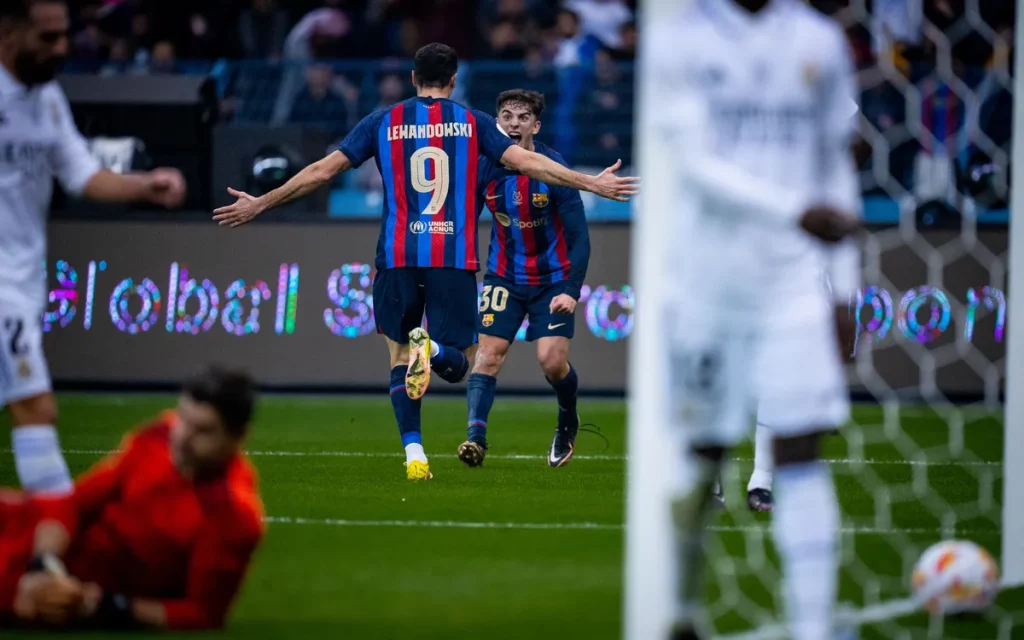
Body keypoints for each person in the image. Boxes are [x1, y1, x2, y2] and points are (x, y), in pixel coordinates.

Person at [213, 42, 638, 481]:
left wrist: (262, 202)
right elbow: (529, 163)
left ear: (413, 79)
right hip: (450, 259)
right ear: (454, 81)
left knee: (399, 359)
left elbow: (322, 171)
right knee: (464, 361)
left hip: (396, 259)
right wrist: (591, 182)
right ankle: (432, 350)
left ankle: (415, 455)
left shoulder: (382, 120)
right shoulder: (472, 122)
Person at [643, 1, 862, 638]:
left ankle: (812, 624)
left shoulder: (818, 41)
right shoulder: (680, 44)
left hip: (793, 279)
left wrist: (844, 286)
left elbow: (837, 164)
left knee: (802, 446)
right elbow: (694, 165)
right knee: (703, 452)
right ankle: (679, 610)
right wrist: (796, 209)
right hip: (706, 278)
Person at [0, 0, 187, 496]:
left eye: (64, 36)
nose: (61, 49)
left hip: (22, 279)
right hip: (3, 289)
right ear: (8, 34)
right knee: (35, 410)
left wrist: (144, 185)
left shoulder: (48, 100)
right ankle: (55, 549)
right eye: (47, 38)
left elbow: (83, 174)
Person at [0, 365, 264, 631]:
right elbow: (75, 502)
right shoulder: (158, 437)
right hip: (45, 540)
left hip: (75, 582)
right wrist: (43, 563)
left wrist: (109, 605)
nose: (183, 437)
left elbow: (201, 614)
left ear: (238, 437)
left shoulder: (232, 515)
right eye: (183, 419)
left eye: (203, 431)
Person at [459, 89, 589, 469]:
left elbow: (579, 237)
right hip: (504, 277)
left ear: (536, 124)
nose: (513, 124)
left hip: (552, 281)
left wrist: (571, 291)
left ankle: (568, 417)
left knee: (551, 362)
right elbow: (465, 218)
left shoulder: (554, 168)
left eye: (522, 117)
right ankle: (475, 441)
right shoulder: (486, 166)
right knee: (487, 355)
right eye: (506, 116)